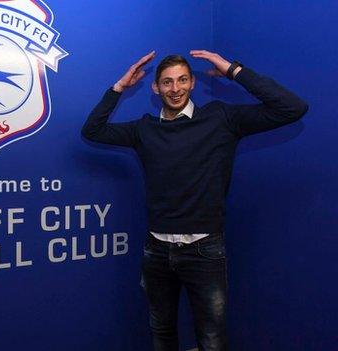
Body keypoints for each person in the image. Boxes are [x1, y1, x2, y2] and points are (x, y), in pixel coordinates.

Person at [81, 50, 308, 351]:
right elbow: (92, 130)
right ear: (155, 88)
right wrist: (119, 87)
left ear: (191, 84)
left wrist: (233, 70)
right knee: (161, 331)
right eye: (167, 82)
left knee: (211, 338)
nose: (175, 89)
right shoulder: (143, 129)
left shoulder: (221, 118)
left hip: (205, 250)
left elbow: (293, 107)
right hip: (157, 250)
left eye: (182, 80)